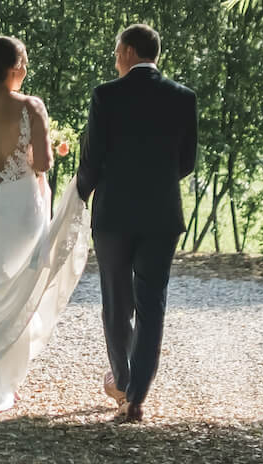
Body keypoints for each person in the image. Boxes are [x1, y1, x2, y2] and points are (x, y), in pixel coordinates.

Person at [0, 35, 91, 414]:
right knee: (20, 286)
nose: (25, 71)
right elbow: (42, 164)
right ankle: (3, 380)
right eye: (24, 64)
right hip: (21, 208)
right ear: (14, 68)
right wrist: (48, 148)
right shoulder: (31, 107)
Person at [73, 22, 198, 423]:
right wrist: (156, 181)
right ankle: (138, 395)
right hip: (161, 214)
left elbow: (92, 157)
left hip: (114, 215)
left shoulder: (106, 95)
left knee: (116, 301)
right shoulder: (183, 97)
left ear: (128, 52)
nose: (116, 61)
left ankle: (123, 382)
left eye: (116, 53)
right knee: (151, 304)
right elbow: (186, 162)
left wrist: (79, 194)